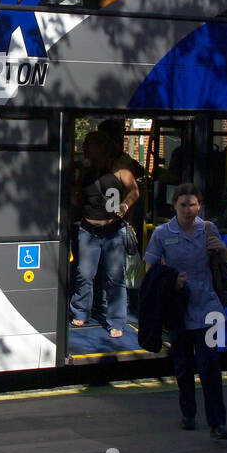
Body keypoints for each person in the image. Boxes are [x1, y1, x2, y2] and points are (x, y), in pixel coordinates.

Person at [143, 183, 227, 439]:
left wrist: (221, 250)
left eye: (192, 205)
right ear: (174, 206)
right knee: (183, 366)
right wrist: (172, 281)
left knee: (210, 365)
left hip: (207, 306)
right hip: (178, 308)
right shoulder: (162, 233)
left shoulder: (208, 228)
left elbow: (223, 261)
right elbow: (149, 270)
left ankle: (217, 423)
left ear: (199, 206)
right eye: (183, 205)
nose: (188, 210)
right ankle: (188, 414)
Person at [70, 131, 139, 338]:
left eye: (88, 145)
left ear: (100, 147)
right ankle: (81, 311)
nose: (85, 149)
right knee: (84, 274)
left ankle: (116, 321)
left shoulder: (120, 170)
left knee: (115, 277)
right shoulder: (86, 172)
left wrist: (125, 205)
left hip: (113, 231)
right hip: (88, 230)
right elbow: (77, 200)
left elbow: (134, 191)